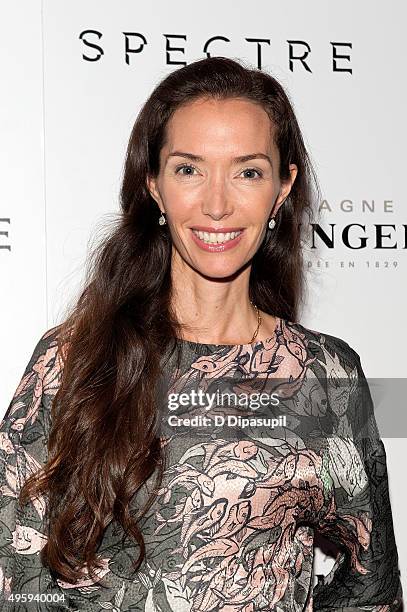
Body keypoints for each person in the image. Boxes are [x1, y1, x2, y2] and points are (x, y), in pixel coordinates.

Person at [0, 56, 403, 611]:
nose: (217, 205)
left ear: (282, 189)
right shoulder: (73, 360)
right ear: (154, 185)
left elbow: (370, 588)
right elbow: (15, 573)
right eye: (189, 169)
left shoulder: (326, 375)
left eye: (248, 171)